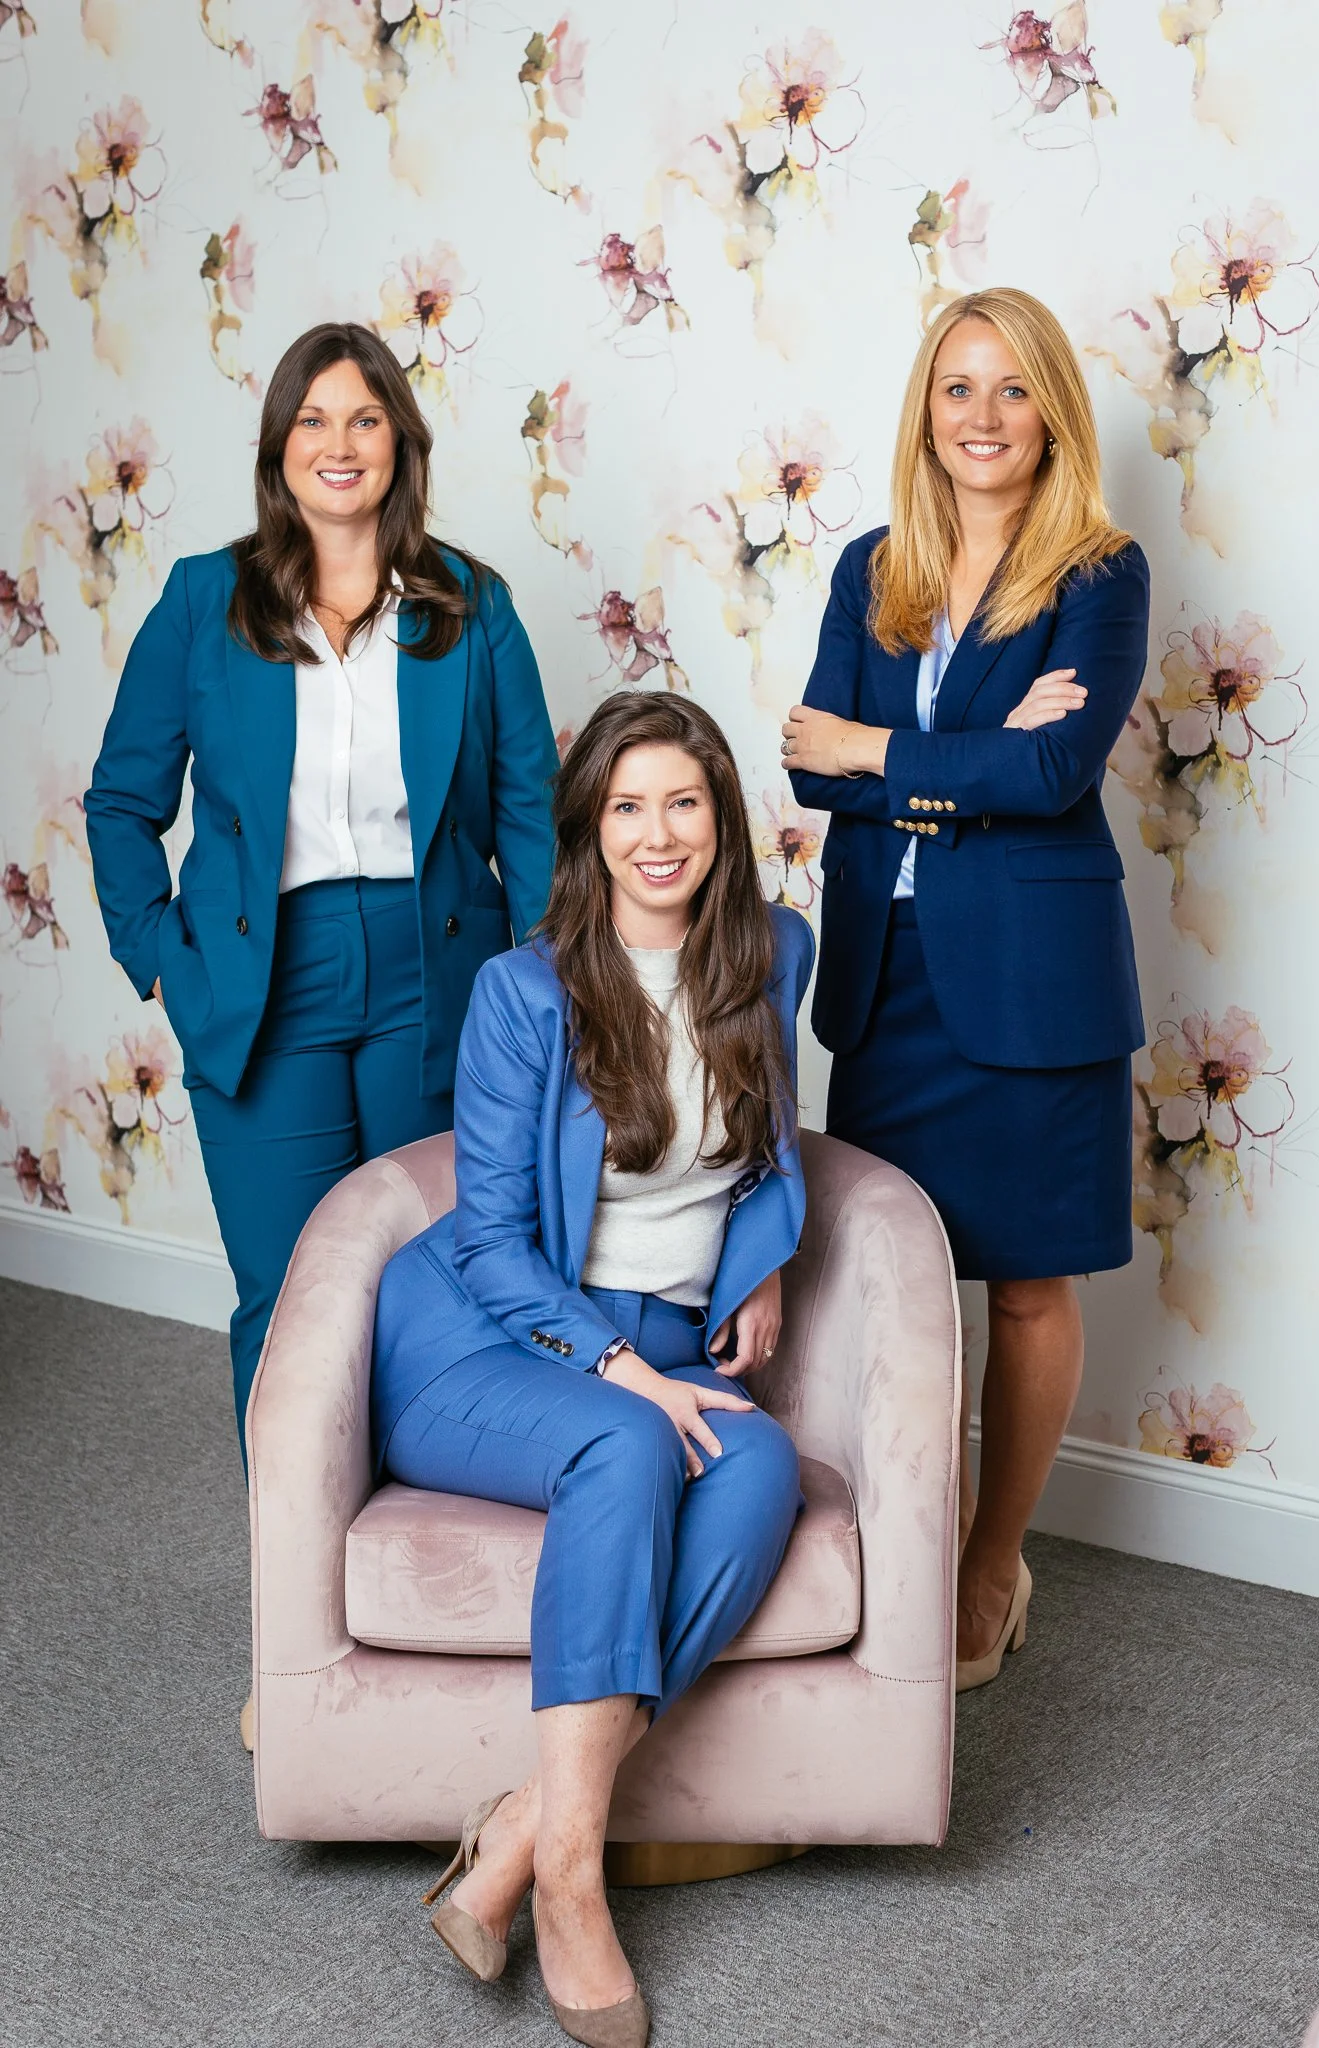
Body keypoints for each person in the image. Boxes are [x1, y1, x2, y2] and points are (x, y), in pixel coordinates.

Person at [371, 692, 812, 2047]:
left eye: (682, 801)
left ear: (720, 822)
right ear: (591, 831)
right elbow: (497, 1246)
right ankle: (571, 1882)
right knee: (631, 1443)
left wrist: (763, 1257)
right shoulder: (525, 992)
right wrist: (622, 1366)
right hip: (482, 1342)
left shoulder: (773, 954)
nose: (657, 833)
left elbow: (768, 1145)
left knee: (756, 1471)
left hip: (663, 1341)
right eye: (626, 807)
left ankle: (521, 1824)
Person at [86, 322, 559, 1469]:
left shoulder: (470, 606)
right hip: (260, 977)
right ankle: (295, 1572)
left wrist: (546, 986)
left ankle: (416, 1536)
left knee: (432, 1275)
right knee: (286, 1288)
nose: (339, 444)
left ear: (399, 439)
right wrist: (161, 955)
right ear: (279, 445)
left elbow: (531, 813)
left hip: (432, 972)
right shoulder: (207, 601)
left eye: (364, 417)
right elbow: (120, 802)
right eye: (313, 419)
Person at [781, 286, 1149, 1693]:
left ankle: (993, 1559)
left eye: (1009, 390)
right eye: (956, 389)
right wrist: (953, 759)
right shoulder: (874, 565)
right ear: (923, 412)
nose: (982, 418)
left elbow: (1054, 774)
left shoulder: (1098, 575)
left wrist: (884, 757)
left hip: (1034, 983)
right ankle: (901, 1537)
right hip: (896, 975)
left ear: (1050, 410)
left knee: (1027, 1290)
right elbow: (806, 762)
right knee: (891, 1278)